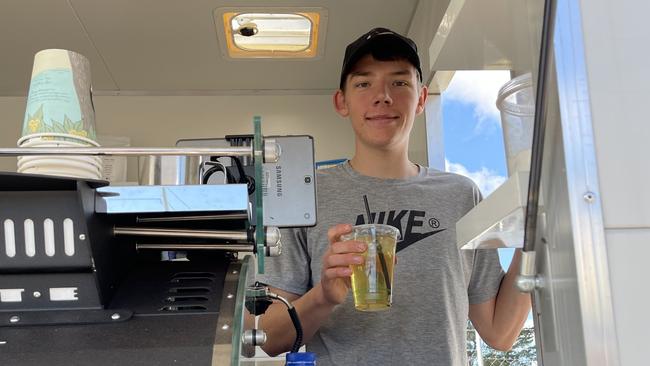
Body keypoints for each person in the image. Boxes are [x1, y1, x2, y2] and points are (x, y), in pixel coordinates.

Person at [255, 27, 531, 365]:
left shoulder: (461, 195)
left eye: (399, 82)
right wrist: (324, 296)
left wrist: (534, 235)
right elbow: (268, 338)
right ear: (341, 101)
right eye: (363, 83)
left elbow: (500, 333)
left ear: (422, 98)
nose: (382, 96)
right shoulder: (305, 195)